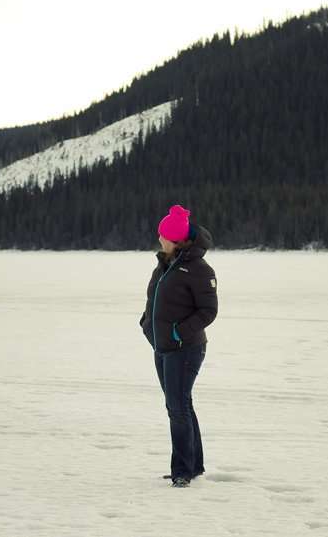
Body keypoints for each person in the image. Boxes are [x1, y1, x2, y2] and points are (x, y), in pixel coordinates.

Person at [139, 204, 218, 488]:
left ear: (174, 239)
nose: (158, 239)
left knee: (178, 408)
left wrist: (176, 333)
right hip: (162, 346)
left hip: (185, 349)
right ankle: (192, 465)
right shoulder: (165, 263)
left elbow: (208, 311)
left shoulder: (198, 268)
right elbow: (154, 300)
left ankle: (183, 471)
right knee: (181, 404)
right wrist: (147, 324)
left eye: (162, 235)